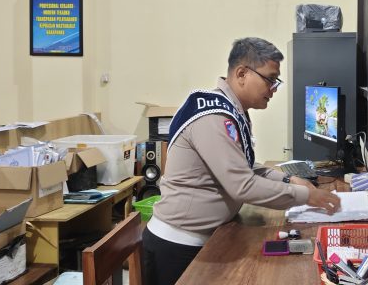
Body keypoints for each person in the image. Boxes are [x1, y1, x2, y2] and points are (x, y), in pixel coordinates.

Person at [143, 37, 342, 285]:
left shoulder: (234, 111)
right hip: (178, 246)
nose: (274, 88)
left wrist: (289, 179)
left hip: (206, 238)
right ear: (242, 74)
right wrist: (307, 196)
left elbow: (245, 166)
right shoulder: (214, 116)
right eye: (270, 79)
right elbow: (243, 186)